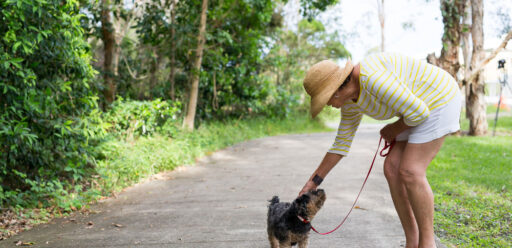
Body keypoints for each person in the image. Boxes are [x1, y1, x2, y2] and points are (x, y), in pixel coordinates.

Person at [299, 53, 462, 248]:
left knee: (411, 170)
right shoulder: (351, 103)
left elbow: (419, 112)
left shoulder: (371, 79)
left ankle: (427, 244)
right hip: (415, 109)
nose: (326, 104)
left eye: (324, 99)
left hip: (439, 99)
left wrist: (393, 129)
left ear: (335, 91)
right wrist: (313, 182)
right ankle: (412, 241)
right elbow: (341, 144)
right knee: (392, 168)